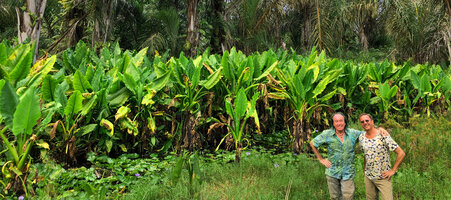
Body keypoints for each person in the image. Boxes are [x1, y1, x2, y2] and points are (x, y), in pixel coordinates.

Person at [310, 112, 387, 200]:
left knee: (348, 196)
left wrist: (379, 128)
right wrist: (321, 159)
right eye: (336, 121)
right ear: (333, 124)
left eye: (341, 121)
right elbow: (313, 143)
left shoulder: (353, 133)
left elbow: (368, 132)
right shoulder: (327, 134)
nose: (339, 123)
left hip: (348, 172)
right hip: (332, 171)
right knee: (334, 197)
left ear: (345, 122)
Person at [358, 113, 405, 200]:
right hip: (369, 177)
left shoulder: (382, 135)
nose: (365, 123)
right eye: (362, 121)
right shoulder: (361, 137)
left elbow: (401, 153)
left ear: (372, 122)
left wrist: (393, 170)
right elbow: (366, 154)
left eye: (367, 120)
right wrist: (365, 170)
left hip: (383, 177)